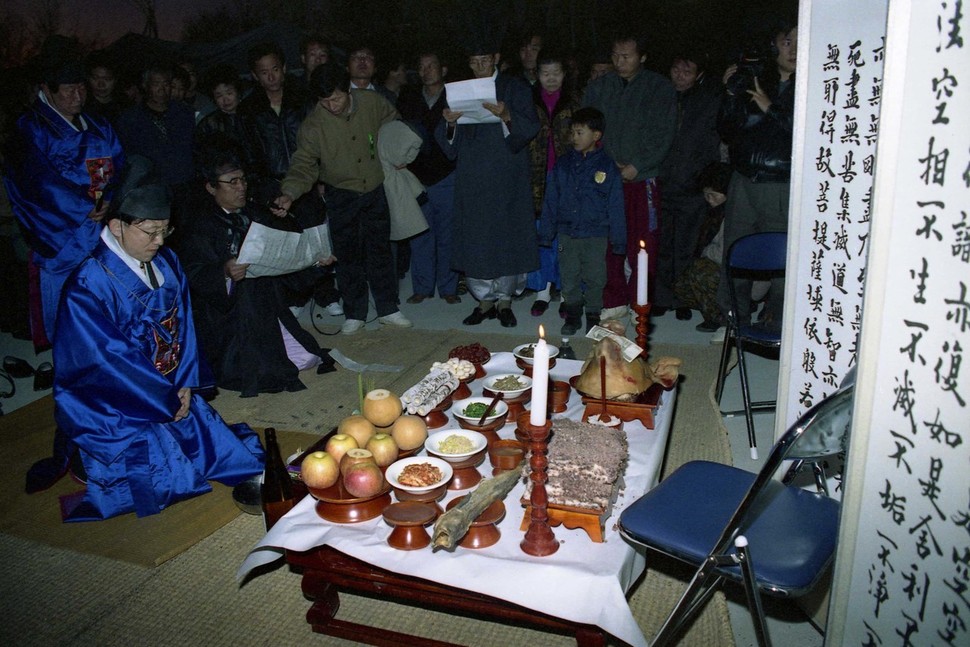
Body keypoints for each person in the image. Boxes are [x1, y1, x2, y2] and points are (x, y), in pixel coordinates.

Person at [52, 180, 265, 521]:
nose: (161, 241)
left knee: (226, 452)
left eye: (166, 231)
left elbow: (185, 329)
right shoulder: (88, 285)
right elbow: (108, 362)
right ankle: (86, 455)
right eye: (150, 232)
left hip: (169, 388)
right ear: (117, 226)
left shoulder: (166, 262)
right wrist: (163, 400)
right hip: (118, 401)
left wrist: (184, 385)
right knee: (162, 474)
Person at [176, 150, 336, 397]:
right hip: (232, 316)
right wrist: (225, 272)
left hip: (267, 304)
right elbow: (194, 274)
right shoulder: (198, 225)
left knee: (306, 358)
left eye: (243, 180)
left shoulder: (255, 213)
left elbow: (285, 257)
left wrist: (315, 262)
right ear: (211, 187)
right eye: (232, 182)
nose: (241, 187)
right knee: (264, 372)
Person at [273, 63, 411, 334]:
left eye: (335, 98)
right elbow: (303, 165)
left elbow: (393, 121)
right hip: (340, 194)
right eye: (324, 101)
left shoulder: (371, 102)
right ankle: (355, 312)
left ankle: (388, 308)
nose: (331, 105)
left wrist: (394, 152)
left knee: (380, 251)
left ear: (348, 89)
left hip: (374, 188)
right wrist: (289, 192)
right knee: (347, 255)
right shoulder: (313, 125)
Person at [3, 49, 124, 348]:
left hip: (103, 226)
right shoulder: (30, 128)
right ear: (47, 89)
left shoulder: (99, 124)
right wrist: (86, 207)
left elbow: (120, 164)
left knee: (106, 300)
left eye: (81, 88)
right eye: (69, 90)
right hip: (63, 234)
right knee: (67, 305)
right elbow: (36, 182)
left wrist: (110, 198)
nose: (78, 96)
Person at [438, 42, 540, 328]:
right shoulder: (459, 89)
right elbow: (447, 141)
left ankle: (505, 301)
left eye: (485, 60)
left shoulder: (515, 86)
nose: (480, 66)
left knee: (506, 236)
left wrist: (507, 115)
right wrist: (450, 123)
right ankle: (484, 301)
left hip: (507, 173)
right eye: (474, 61)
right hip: (472, 175)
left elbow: (530, 126)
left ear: (496, 58)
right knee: (477, 238)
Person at [583, 32, 677, 321]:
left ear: (643, 57)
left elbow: (664, 132)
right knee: (609, 240)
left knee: (643, 242)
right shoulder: (599, 87)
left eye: (627, 56)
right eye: (615, 56)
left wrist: (638, 164)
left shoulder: (659, 87)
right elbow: (587, 127)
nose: (620, 61)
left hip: (643, 177)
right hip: (607, 177)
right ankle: (613, 299)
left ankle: (641, 302)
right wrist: (606, 164)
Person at [717, 13, 798, 333]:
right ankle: (732, 319)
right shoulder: (755, 80)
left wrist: (771, 108)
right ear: (774, 46)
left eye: (799, 43)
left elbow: (806, 134)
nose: (792, 49)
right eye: (786, 42)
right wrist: (729, 94)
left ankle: (777, 321)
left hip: (782, 182)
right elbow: (726, 129)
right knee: (735, 251)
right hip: (744, 180)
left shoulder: (816, 84)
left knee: (780, 257)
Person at [538, 107, 625, 335]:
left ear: (596, 136)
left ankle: (593, 314)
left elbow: (616, 205)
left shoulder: (607, 167)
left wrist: (618, 239)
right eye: (573, 133)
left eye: (580, 133)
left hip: (596, 234)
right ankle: (573, 314)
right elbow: (551, 198)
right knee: (569, 276)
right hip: (567, 232)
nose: (574, 138)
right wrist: (546, 232)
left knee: (596, 277)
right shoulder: (563, 164)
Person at [656, 49, 724, 320]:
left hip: (693, 185)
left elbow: (713, 144)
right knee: (661, 244)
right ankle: (661, 297)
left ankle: (683, 298)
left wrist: (707, 179)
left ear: (699, 75)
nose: (680, 76)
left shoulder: (709, 100)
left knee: (686, 245)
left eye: (687, 71)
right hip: (661, 181)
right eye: (676, 69)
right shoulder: (660, 97)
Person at [396, 50, 461, 305]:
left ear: (443, 69)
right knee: (420, 234)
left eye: (431, 66)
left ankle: (448, 287)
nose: (426, 71)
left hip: (447, 174)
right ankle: (422, 286)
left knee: (448, 235)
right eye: (421, 67)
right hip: (417, 176)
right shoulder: (409, 97)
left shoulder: (455, 96)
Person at [526, 48, 580, 316]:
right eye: (545, 73)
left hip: (566, 176)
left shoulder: (575, 100)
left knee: (565, 236)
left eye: (556, 73)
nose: (550, 78)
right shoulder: (528, 100)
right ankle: (542, 290)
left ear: (564, 74)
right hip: (535, 177)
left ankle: (566, 290)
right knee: (542, 235)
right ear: (537, 75)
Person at [115, 62, 196, 190]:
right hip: (149, 189)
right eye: (156, 84)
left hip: (185, 183)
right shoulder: (130, 118)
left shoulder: (185, 114)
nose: (162, 90)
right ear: (145, 86)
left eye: (166, 84)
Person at [673, 161, 732, 331]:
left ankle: (721, 318)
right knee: (682, 286)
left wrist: (705, 252)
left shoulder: (733, 213)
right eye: (706, 195)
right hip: (716, 267)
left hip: (736, 274)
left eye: (714, 195)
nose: (710, 200)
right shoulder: (711, 212)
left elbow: (723, 253)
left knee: (700, 270)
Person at [194, 63, 256, 171]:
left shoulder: (254, 116)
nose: (225, 100)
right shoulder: (208, 124)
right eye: (219, 96)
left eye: (229, 93)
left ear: (238, 92)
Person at [84, 50, 128, 125]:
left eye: (107, 79)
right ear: (88, 78)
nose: (101, 84)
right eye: (95, 78)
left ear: (115, 80)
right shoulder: (82, 105)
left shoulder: (125, 106)